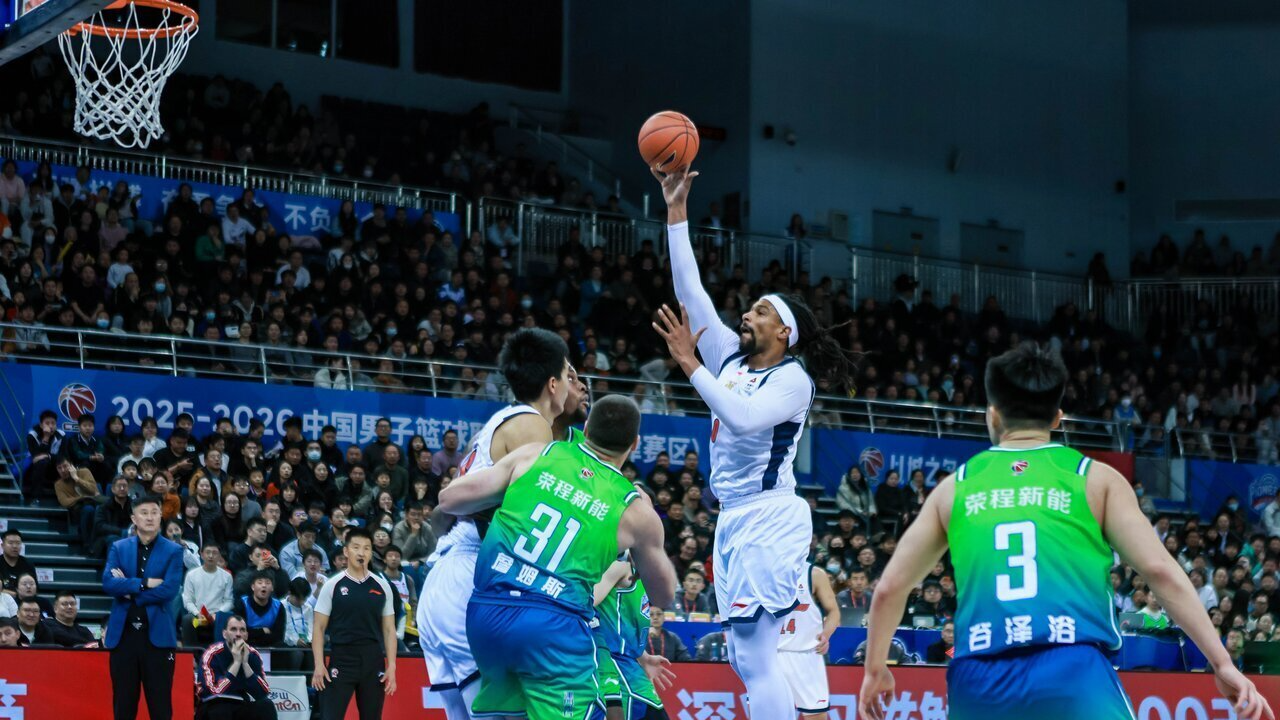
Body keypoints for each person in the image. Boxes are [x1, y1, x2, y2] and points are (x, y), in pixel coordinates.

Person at [857, 343, 1274, 720]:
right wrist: (1221, 663)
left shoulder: (955, 487)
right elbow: (1161, 572)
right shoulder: (1095, 479)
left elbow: (891, 587)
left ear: (993, 413)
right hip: (1072, 671)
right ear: (1058, 417)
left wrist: (876, 669)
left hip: (978, 680)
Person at [652, 165, 855, 720]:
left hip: (770, 515)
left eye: (761, 311)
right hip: (736, 517)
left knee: (758, 654)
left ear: (784, 332)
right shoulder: (731, 358)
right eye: (749, 308)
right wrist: (676, 211)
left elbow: (742, 420)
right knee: (747, 658)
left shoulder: (793, 379)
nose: (746, 313)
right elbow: (689, 289)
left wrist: (691, 365)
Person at [438, 394, 677, 720]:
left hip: (487, 615)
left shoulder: (538, 453)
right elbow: (664, 594)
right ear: (634, 444)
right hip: (553, 625)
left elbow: (450, 499)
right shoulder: (635, 509)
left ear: (587, 427)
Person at [416, 327, 571, 720]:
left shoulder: (497, 423)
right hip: (471, 574)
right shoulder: (532, 425)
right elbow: (524, 518)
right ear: (553, 384)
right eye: (569, 376)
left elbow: (443, 514)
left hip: (448, 575)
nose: (573, 385)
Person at [103, 496, 184, 720]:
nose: (149, 517)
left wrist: (130, 591)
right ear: (133, 518)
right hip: (123, 636)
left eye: (154, 512)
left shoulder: (173, 551)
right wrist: (144, 583)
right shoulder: (118, 547)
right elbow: (108, 583)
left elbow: (169, 590)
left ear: (161, 516)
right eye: (144, 512)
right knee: (123, 706)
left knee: (160, 708)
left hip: (157, 636)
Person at [311, 527, 398, 720]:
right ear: (346, 551)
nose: (362, 552)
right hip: (342, 658)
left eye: (367, 548)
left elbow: (389, 630)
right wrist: (319, 664)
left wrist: (391, 666)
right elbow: (318, 628)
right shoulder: (332, 585)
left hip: (373, 658)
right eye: (356, 547)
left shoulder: (383, 586)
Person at [777, 564, 841, 719]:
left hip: (806, 653)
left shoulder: (814, 574)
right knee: (764, 713)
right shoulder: (761, 568)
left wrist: (826, 634)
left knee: (816, 715)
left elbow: (833, 611)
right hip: (770, 654)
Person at [196, 615, 278, 720]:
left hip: (240, 703)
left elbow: (263, 692)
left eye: (242, 630)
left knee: (266, 705)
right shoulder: (212, 654)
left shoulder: (253, 654)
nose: (238, 634)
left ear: (246, 635)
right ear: (224, 634)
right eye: (233, 629)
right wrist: (236, 663)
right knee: (221, 710)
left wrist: (245, 664)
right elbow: (215, 691)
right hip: (213, 704)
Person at [182, 544, 234, 647]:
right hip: (199, 618)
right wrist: (197, 613)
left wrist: (217, 613)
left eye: (214, 553)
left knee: (226, 619)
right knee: (188, 620)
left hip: (217, 617)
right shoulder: (191, 574)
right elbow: (187, 600)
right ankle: (192, 655)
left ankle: (218, 654)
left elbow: (229, 601)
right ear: (201, 554)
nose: (211, 556)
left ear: (219, 556)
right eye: (208, 552)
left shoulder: (227, 576)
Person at [234, 573, 285, 648]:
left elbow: (278, 636)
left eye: (267, 583)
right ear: (253, 587)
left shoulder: (278, 606)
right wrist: (262, 631)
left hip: (271, 646)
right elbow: (240, 632)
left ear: (272, 588)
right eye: (260, 582)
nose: (264, 585)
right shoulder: (242, 603)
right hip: (246, 645)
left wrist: (254, 634)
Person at [0, 529, 36, 598]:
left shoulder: (28, 564)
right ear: (2, 545)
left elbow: (34, 588)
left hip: (24, 602)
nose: (15, 546)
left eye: (18, 543)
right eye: (10, 543)